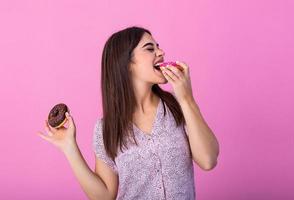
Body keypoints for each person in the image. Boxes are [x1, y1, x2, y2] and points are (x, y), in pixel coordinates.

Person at [37, 26, 219, 200]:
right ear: (126, 63)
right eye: (150, 48)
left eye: (158, 46)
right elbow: (104, 195)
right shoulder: (106, 128)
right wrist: (70, 148)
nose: (161, 52)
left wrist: (187, 99)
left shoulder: (178, 107)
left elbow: (208, 160)